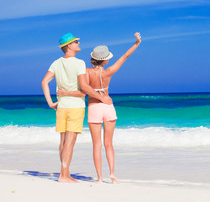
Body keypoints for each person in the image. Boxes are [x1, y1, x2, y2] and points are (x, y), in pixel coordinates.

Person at [58, 32, 141, 183]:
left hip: (93, 108)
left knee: (96, 145)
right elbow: (124, 57)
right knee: (108, 144)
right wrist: (136, 43)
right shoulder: (109, 72)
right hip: (108, 106)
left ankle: (99, 178)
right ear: (105, 60)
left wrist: (64, 92)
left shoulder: (86, 72)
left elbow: (82, 89)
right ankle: (113, 175)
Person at [41, 32, 112, 183]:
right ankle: (64, 175)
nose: (78, 43)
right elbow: (85, 87)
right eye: (76, 42)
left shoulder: (56, 63)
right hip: (75, 106)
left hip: (61, 106)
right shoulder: (79, 63)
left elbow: (44, 82)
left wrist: (50, 102)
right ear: (68, 46)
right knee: (70, 141)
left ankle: (65, 173)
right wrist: (101, 98)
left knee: (63, 141)